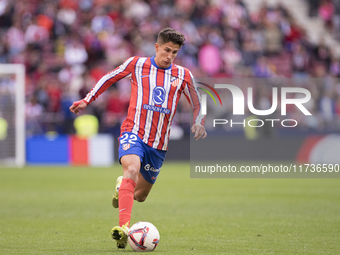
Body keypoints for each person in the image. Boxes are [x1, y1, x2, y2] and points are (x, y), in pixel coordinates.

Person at [69, 28, 207, 249]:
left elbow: (198, 102)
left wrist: (198, 121)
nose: (170, 56)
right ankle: (124, 228)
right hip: (133, 132)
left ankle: (121, 187)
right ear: (157, 47)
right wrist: (88, 99)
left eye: (175, 52)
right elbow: (109, 77)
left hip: (159, 145)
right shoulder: (137, 64)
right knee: (131, 169)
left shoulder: (184, 75)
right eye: (167, 50)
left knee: (140, 195)